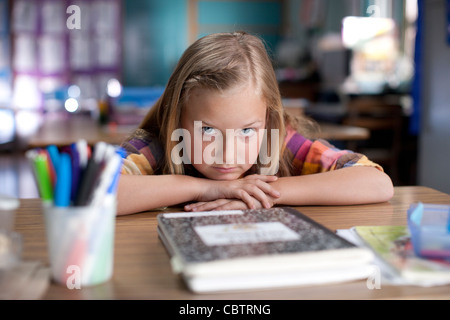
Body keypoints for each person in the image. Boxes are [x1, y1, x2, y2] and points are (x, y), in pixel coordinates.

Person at [117, 31, 393, 216]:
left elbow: (377, 183)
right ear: (176, 118)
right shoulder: (159, 143)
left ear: (268, 119)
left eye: (247, 130)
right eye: (208, 130)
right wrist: (207, 188)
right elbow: (96, 191)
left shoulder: (278, 140)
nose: (228, 153)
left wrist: (263, 193)